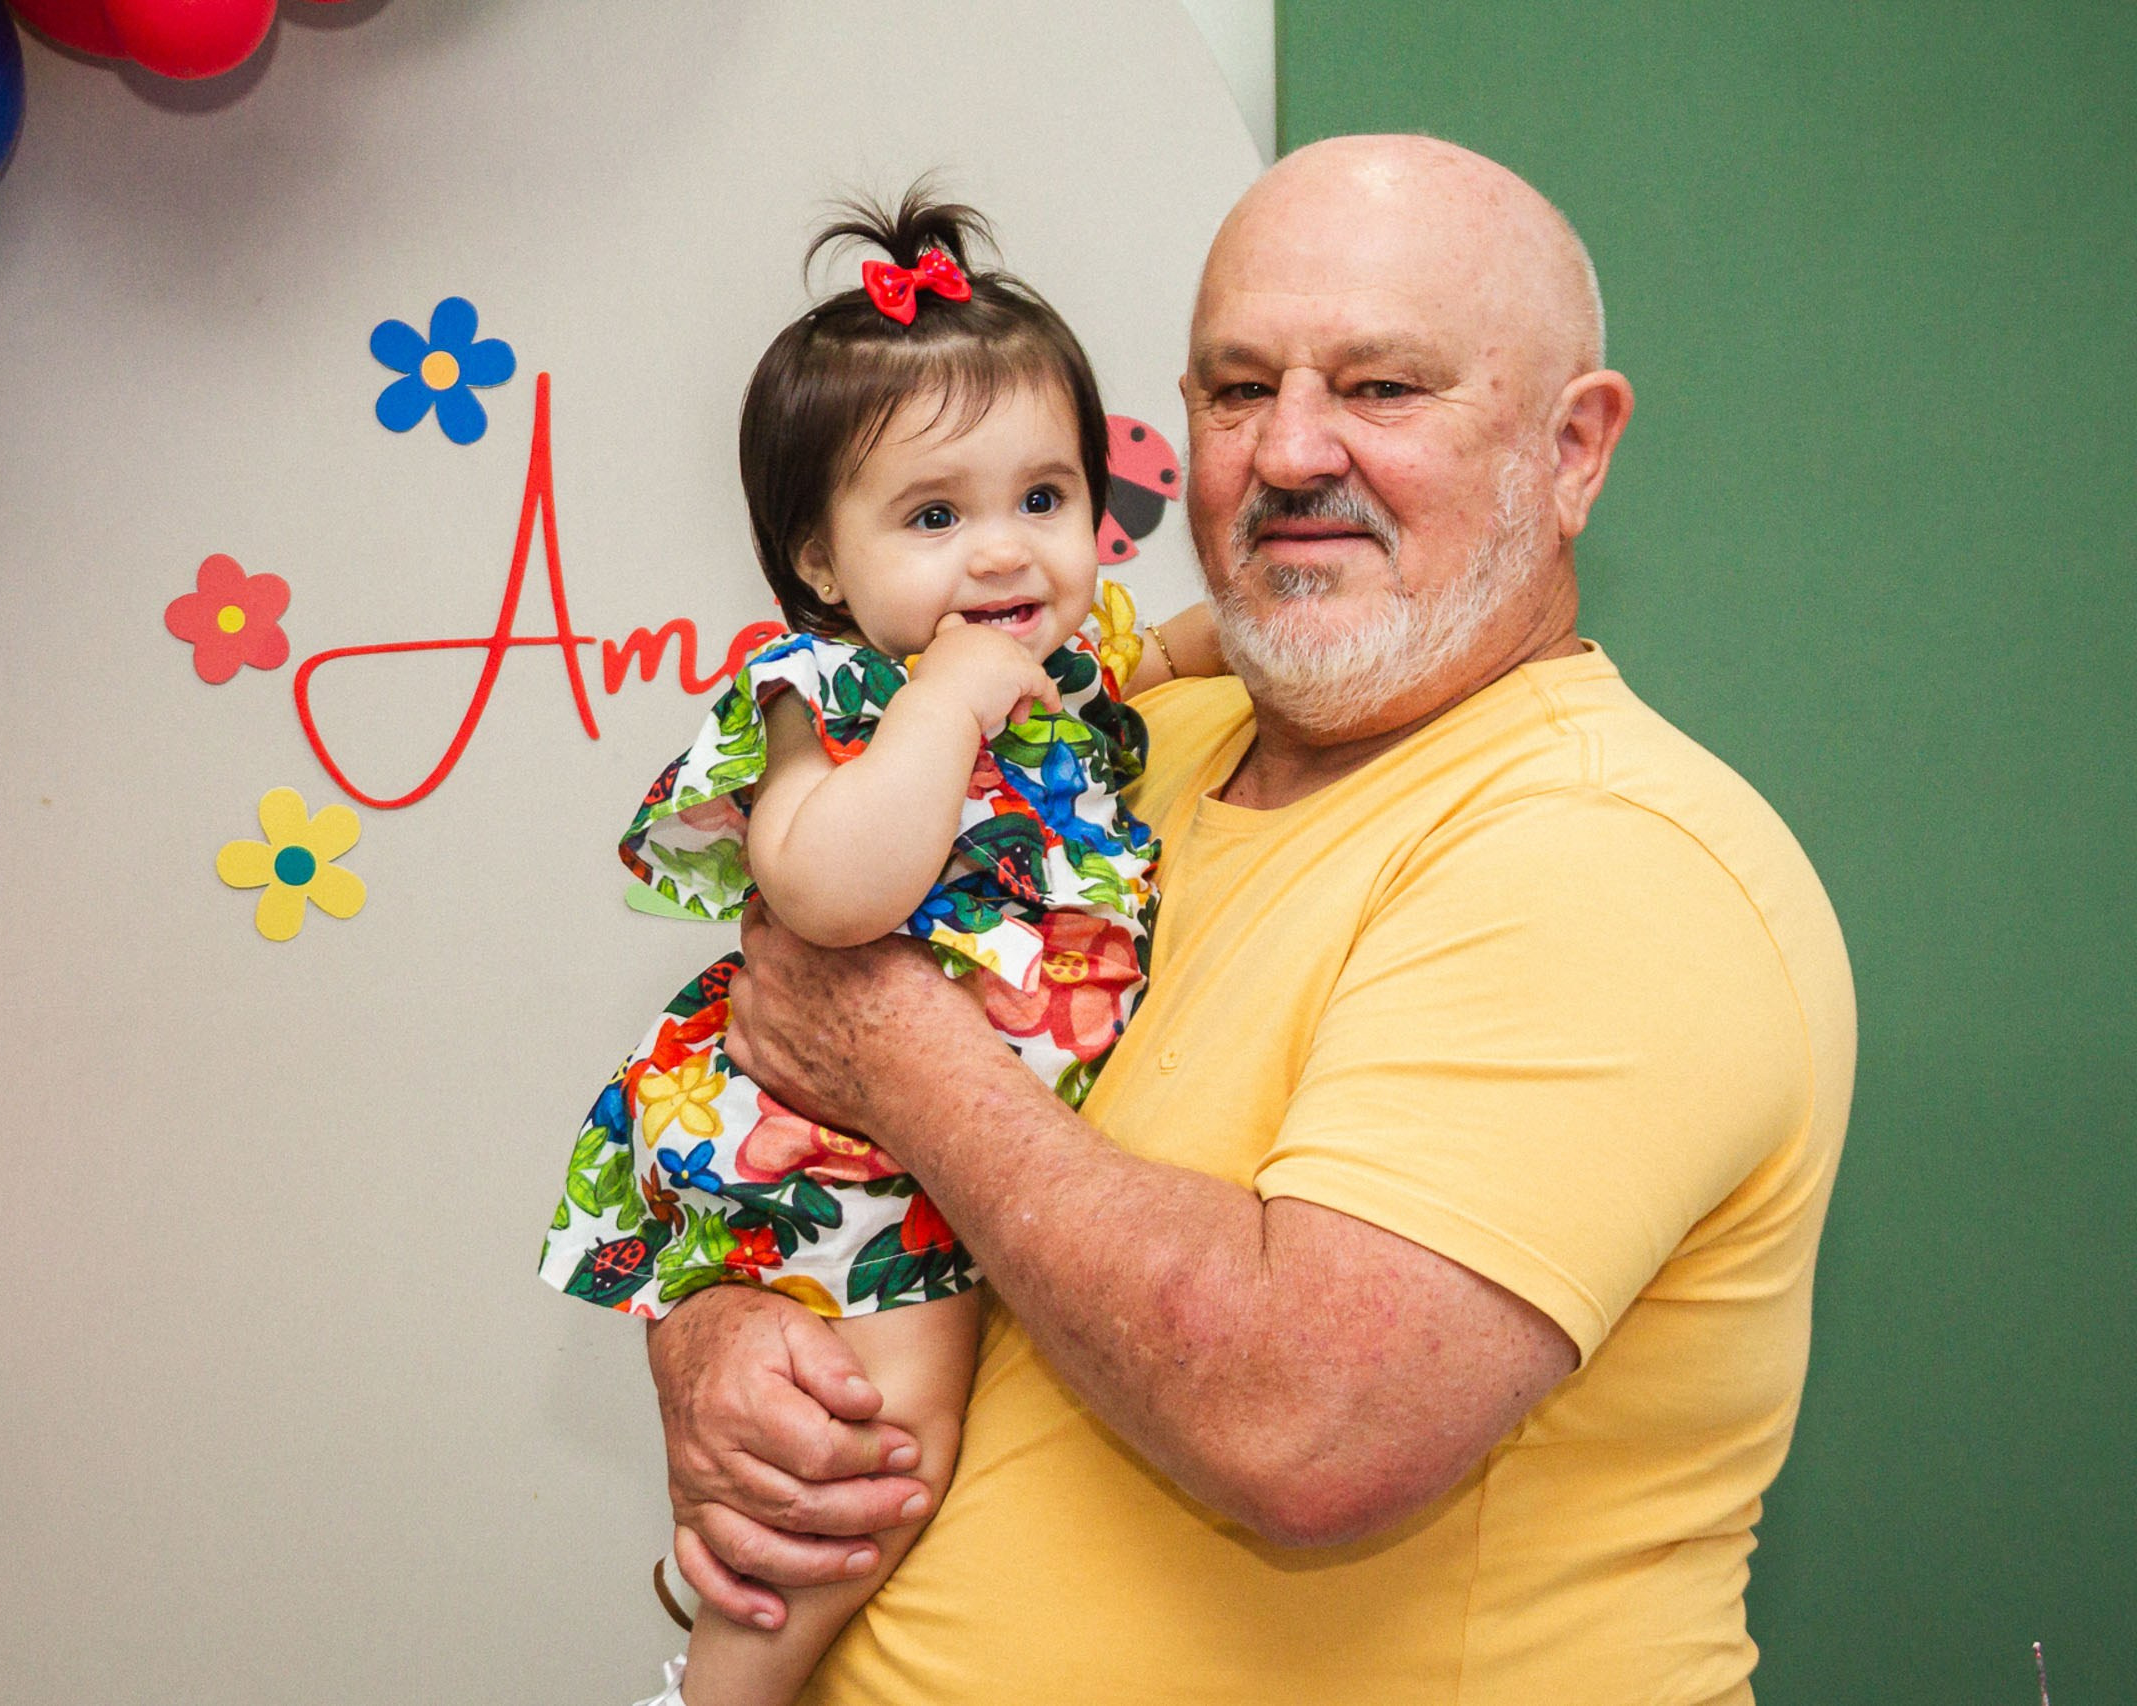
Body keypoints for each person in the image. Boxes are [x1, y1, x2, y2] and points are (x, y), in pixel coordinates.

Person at [643, 135, 1858, 1705]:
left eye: (1382, 388)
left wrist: (898, 1047)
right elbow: (848, 1161)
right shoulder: (1105, 772)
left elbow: (1308, 1419)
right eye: (1234, 389)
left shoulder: (1602, 851)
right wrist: (724, 1343)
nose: (1289, 452)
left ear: (1573, 449)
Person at [535, 188, 1225, 1706]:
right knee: (871, 1465)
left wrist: (1228, 630)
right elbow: (826, 886)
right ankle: (715, 1692)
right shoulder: (827, 695)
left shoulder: (1061, 653)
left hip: (951, 1144)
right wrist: (947, 709)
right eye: (935, 515)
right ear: (823, 560)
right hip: (838, 1151)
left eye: (1045, 499)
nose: (1005, 553)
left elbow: (1154, 652)